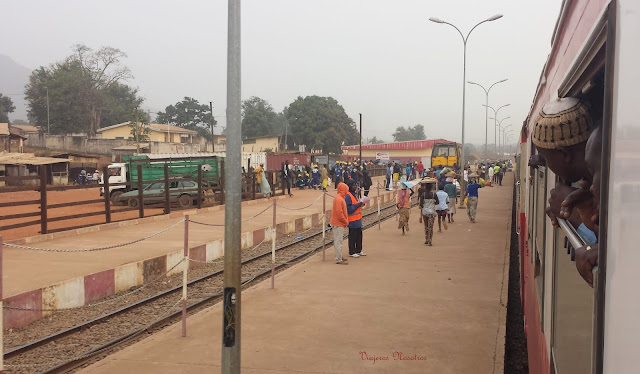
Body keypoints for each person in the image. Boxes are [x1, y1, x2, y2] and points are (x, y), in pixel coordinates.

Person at [345, 179, 366, 258]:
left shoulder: (355, 194)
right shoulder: (348, 196)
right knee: (352, 236)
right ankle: (352, 251)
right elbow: (349, 209)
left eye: (355, 185)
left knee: (359, 236)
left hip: (358, 219)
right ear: (349, 186)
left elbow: (356, 204)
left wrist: (360, 204)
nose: (355, 187)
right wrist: (358, 205)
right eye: (353, 185)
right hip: (352, 220)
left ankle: (358, 250)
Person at [330, 182, 349, 265]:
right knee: (338, 241)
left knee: (339, 241)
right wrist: (345, 221)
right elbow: (339, 213)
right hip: (338, 223)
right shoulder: (339, 199)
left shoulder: (340, 198)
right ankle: (338, 258)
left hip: (339, 223)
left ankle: (339, 256)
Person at [418, 178, 438, 246]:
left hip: (425, 212)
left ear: (425, 187)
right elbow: (437, 202)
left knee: (426, 226)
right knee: (431, 227)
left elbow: (420, 204)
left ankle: (426, 239)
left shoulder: (423, 195)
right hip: (432, 212)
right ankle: (430, 240)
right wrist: (432, 203)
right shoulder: (434, 194)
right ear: (432, 187)